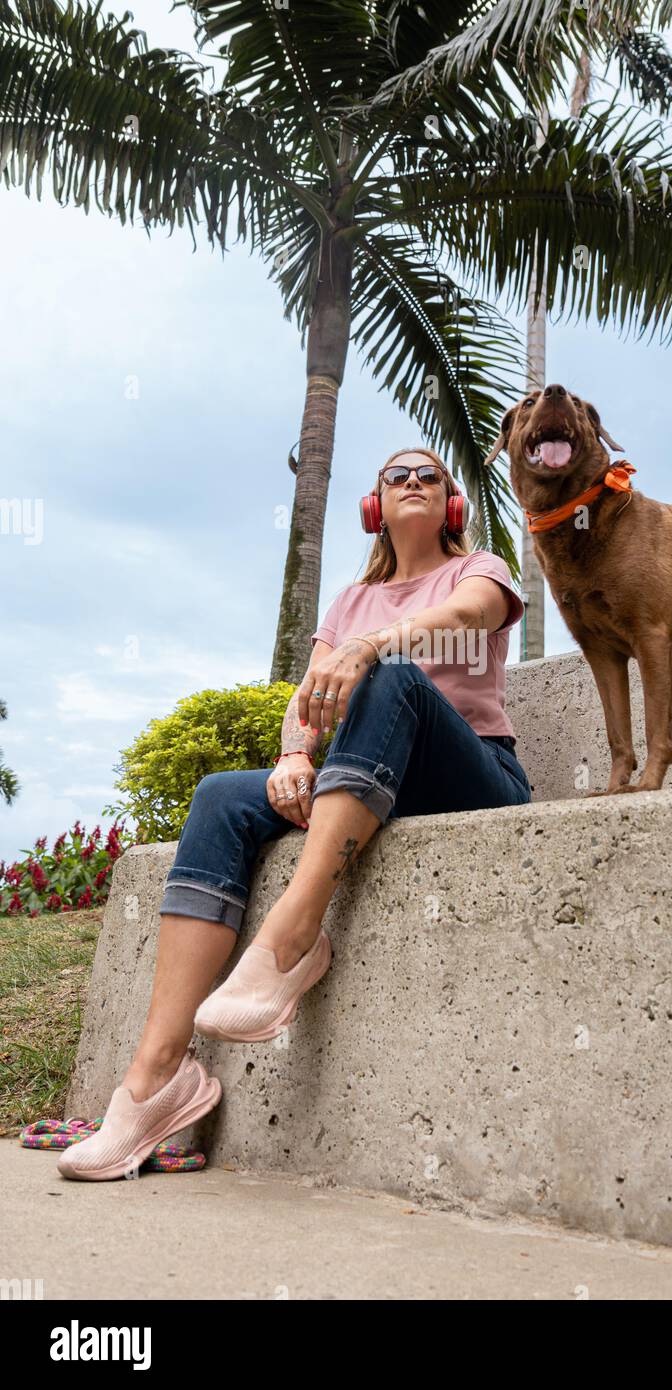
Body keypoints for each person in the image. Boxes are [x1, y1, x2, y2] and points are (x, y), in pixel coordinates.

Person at [57, 446, 532, 1180]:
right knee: (220, 795)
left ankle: (292, 939)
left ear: (453, 505)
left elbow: (470, 618)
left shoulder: (478, 570)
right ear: (375, 505)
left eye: (428, 475)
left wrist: (371, 647)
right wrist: (294, 757)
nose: (411, 483)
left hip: (470, 772)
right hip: (366, 775)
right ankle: (155, 1079)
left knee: (393, 676)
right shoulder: (347, 601)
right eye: (395, 476)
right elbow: (306, 699)